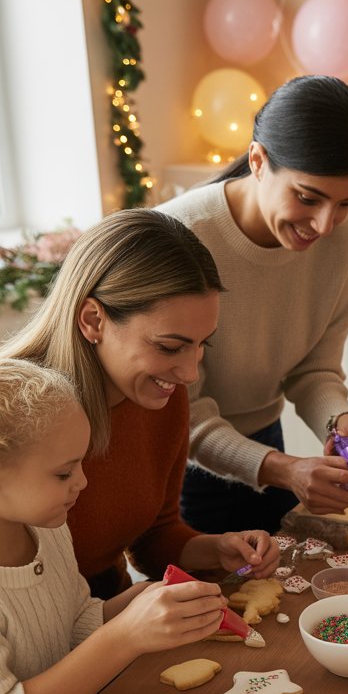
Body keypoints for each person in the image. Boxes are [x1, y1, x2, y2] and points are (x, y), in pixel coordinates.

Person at [2, 211, 281, 599]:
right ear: (92, 320)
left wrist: (216, 549)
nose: (189, 374)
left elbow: (154, 537)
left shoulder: (161, 396)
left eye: (203, 345)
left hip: (108, 609)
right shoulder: (15, 414)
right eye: (169, 347)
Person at [159, 74, 348, 531]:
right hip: (181, 463)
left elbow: (315, 368)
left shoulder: (346, 235)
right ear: (258, 161)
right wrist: (284, 469)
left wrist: (338, 420)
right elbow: (184, 410)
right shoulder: (180, 237)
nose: (324, 225)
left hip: (267, 445)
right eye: (308, 198)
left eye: (344, 203)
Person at [0, 359, 227, 694]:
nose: (82, 482)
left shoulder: (48, 528)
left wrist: (138, 601)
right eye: (64, 473)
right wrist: (124, 636)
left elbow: (71, 623)